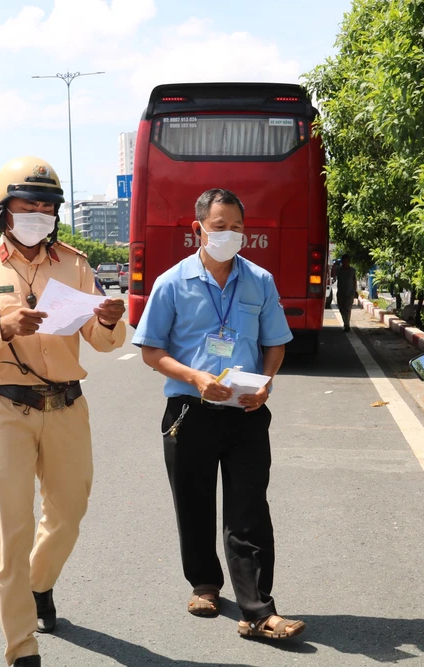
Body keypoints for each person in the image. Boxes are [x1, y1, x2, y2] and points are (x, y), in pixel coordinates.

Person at [0, 156, 127, 667]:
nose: (39, 215)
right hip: (5, 411)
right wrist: (2, 328)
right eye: (28, 206)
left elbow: (103, 341)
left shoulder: (75, 264)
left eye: (47, 207)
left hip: (67, 406)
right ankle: (22, 650)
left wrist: (110, 318)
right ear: (3, 212)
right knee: (11, 533)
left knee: (68, 515)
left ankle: (39, 585)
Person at [132, 188, 306, 642]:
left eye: (236, 227)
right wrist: (195, 378)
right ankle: (205, 585)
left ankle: (258, 609)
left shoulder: (260, 281)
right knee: (193, 503)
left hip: (246, 411)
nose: (229, 234)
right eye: (219, 225)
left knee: (249, 509)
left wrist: (266, 383)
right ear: (198, 230)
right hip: (190, 410)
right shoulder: (172, 282)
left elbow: (276, 344)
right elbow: (152, 351)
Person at [334, 254, 357, 331]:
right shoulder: (339, 270)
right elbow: (332, 274)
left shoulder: (352, 270)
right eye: (344, 261)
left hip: (350, 293)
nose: (346, 263)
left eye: (347, 261)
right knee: (341, 309)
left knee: (347, 309)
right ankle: (345, 322)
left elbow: (354, 281)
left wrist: (355, 291)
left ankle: (346, 324)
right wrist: (334, 265)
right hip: (341, 293)